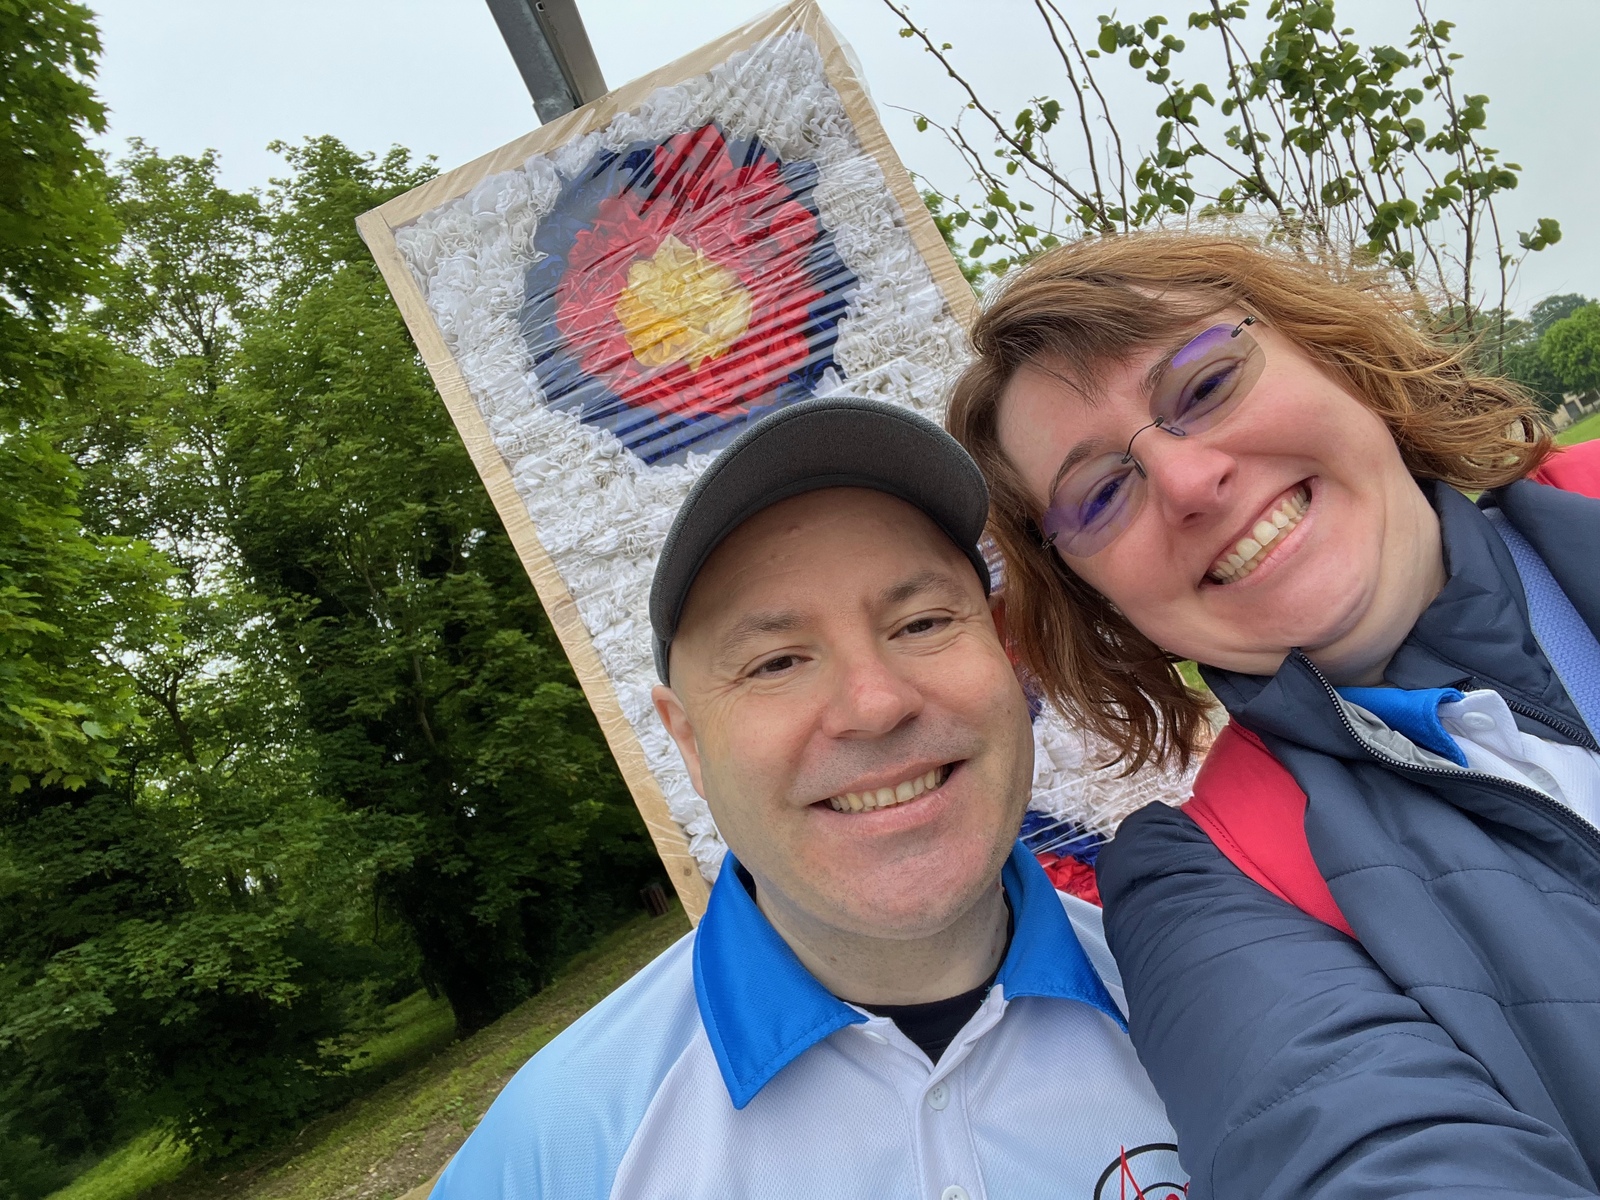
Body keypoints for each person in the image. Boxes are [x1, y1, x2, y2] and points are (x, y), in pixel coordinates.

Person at [945, 231, 1600, 1198]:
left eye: (1207, 385)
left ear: (1337, 357)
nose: (1187, 482)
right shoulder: (1207, 896)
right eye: (1103, 493)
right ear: (1100, 602)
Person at [428, 397, 1181, 1199]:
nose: (875, 704)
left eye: (922, 623)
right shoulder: (560, 1146)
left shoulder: (1203, 1008)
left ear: (1005, 649)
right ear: (689, 742)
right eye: (776, 663)